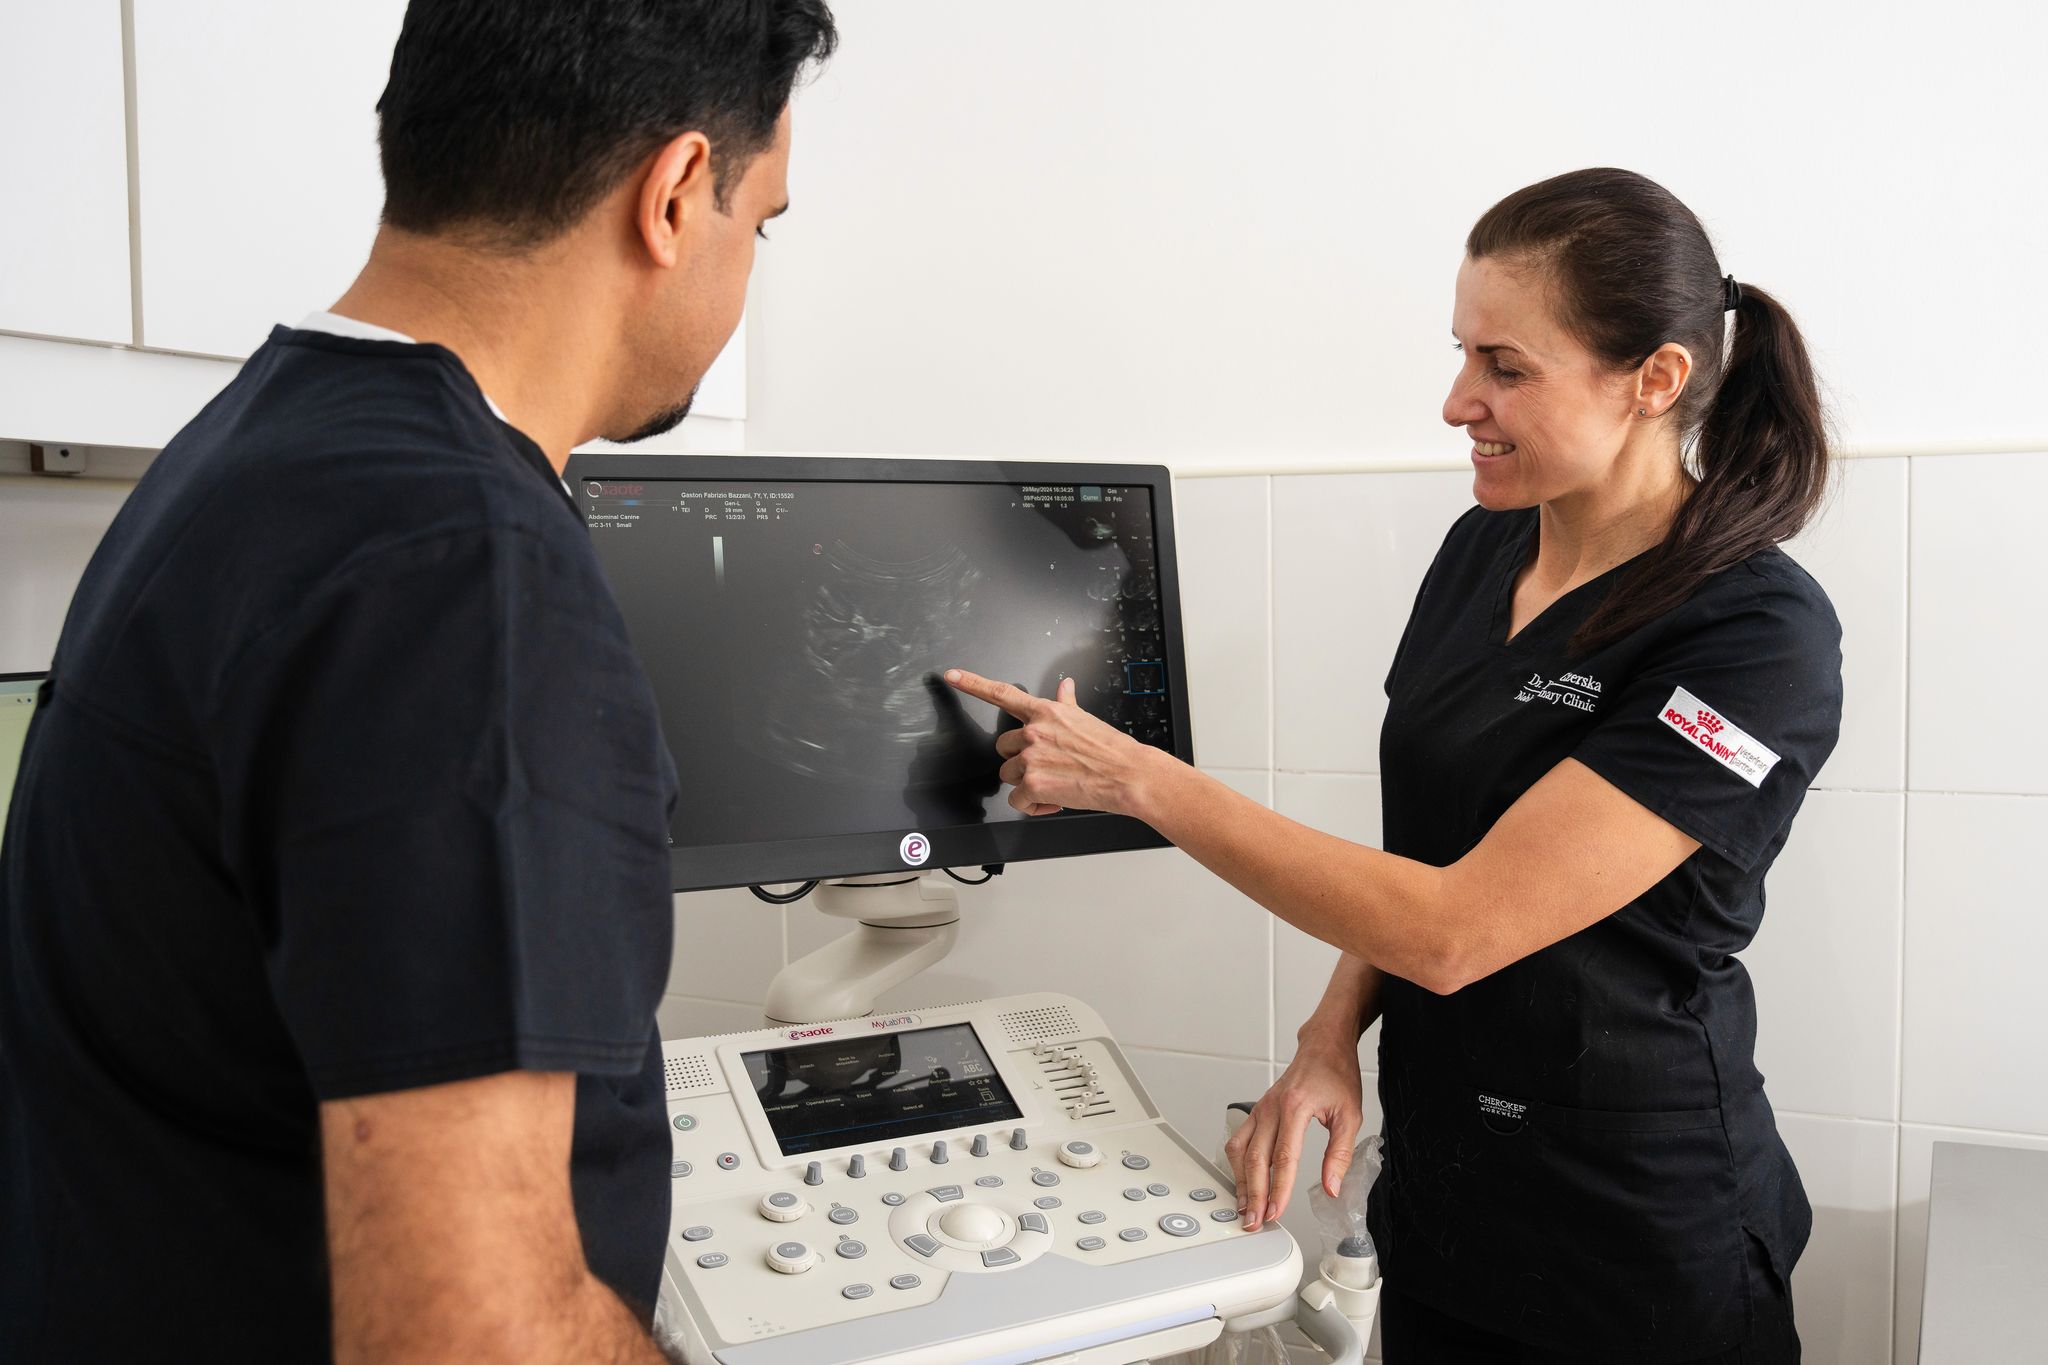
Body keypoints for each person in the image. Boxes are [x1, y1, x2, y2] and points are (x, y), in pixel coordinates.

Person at [0, 2, 835, 1359]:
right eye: (765, 223)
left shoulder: (251, 454)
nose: (751, 268)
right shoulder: (473, 575)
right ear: (678, 193)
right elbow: (470, 1335)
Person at [947, 167, 1839, 1363]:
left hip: (1630, 1233)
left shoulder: (1753, 633)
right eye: (1461, 354)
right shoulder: (1481, 551)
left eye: (1504, 367)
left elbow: (1454, 928)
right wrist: (1328, 1035)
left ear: (1654, 379)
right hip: (1445, 1198)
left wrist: (1140, 781)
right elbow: (1426, 854)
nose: (1457, 401)